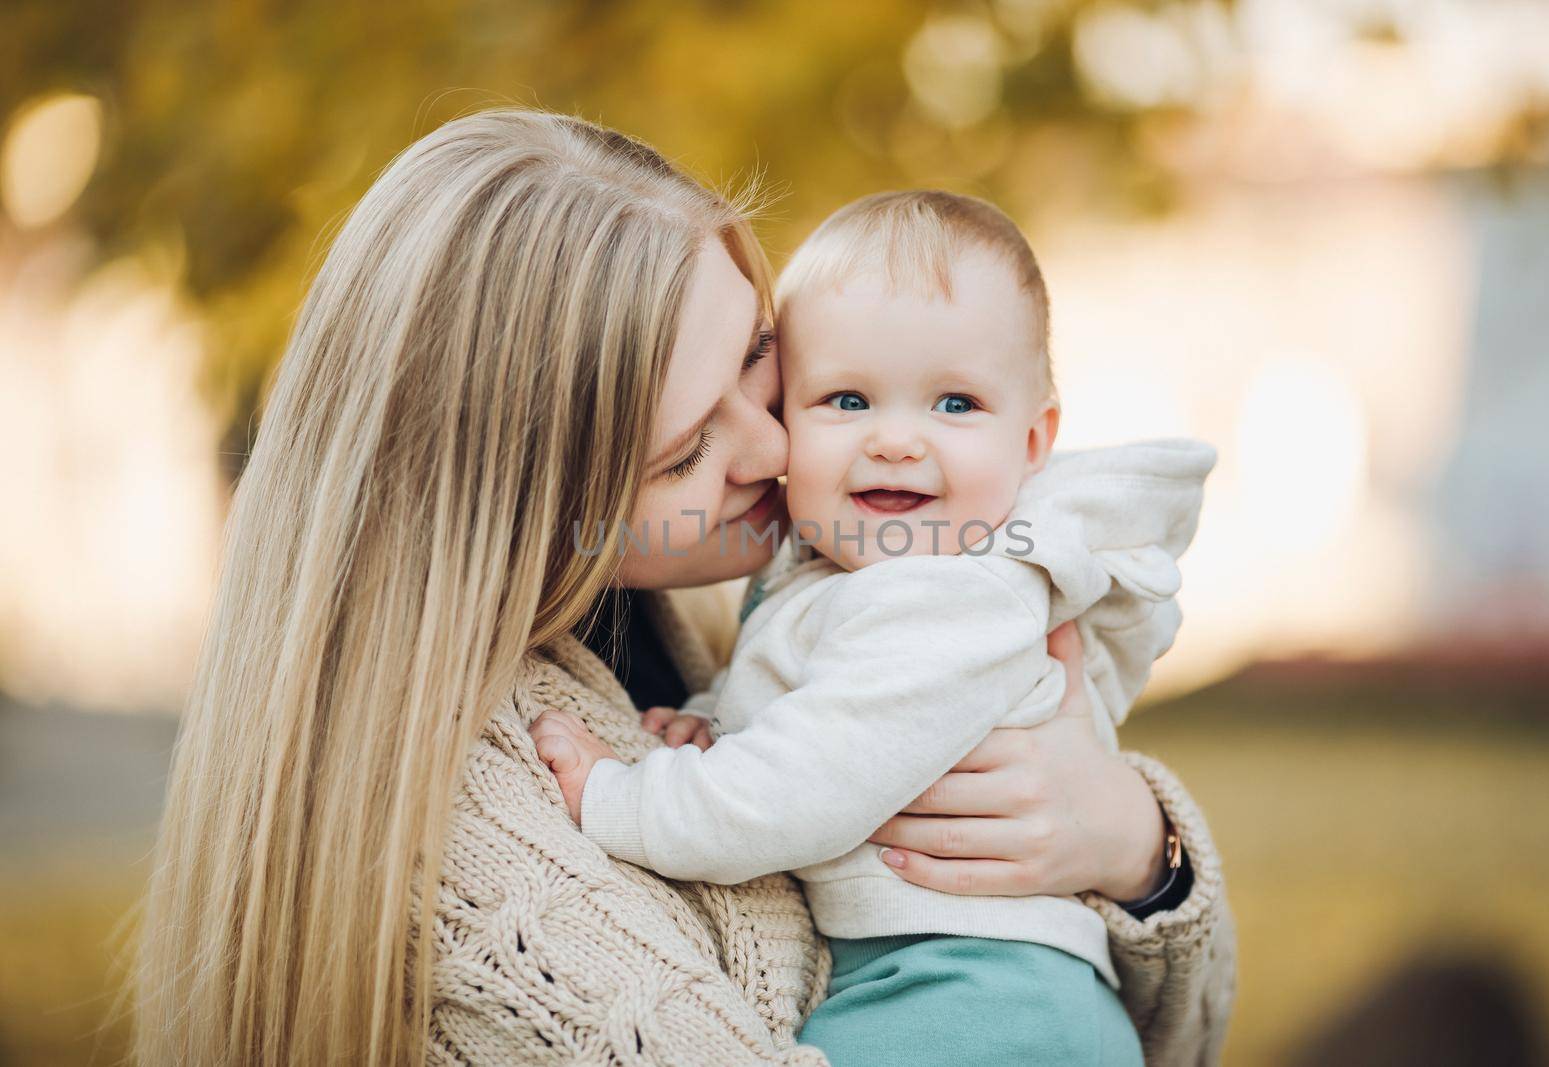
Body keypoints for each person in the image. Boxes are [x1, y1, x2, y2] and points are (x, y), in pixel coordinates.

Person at [134, 109, 1234, 1066]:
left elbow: (1155, 1039)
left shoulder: (730, 604)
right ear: (509, 511)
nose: (773, 445)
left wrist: (1139, 853)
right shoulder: (482, 841)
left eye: (760, 358)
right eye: (682, 453)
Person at [530, 190, 1216, 1066]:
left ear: (1036, 439)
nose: (896, 440)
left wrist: (618, 796)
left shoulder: (954, 602)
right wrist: (719, 720)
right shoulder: (854, 578)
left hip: (979, 994)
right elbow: (831, 715)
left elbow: (793, 793)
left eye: (956, 404)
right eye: (847, 399)